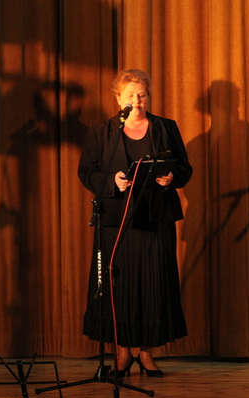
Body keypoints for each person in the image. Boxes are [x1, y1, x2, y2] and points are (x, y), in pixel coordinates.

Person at [78, 69, 192, 377]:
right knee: (119, 287)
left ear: (148, 96)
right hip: (117, 222)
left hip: (156, 219)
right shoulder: (103, 132)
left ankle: (146, 352)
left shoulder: (165, 128)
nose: (137, 100)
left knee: (153, 285)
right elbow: (86, 171)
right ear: (118, 99)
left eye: (142, 94)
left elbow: (185, 168)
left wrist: (172, 178)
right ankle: (122, 352)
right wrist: (111, 181)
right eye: (130, 95)